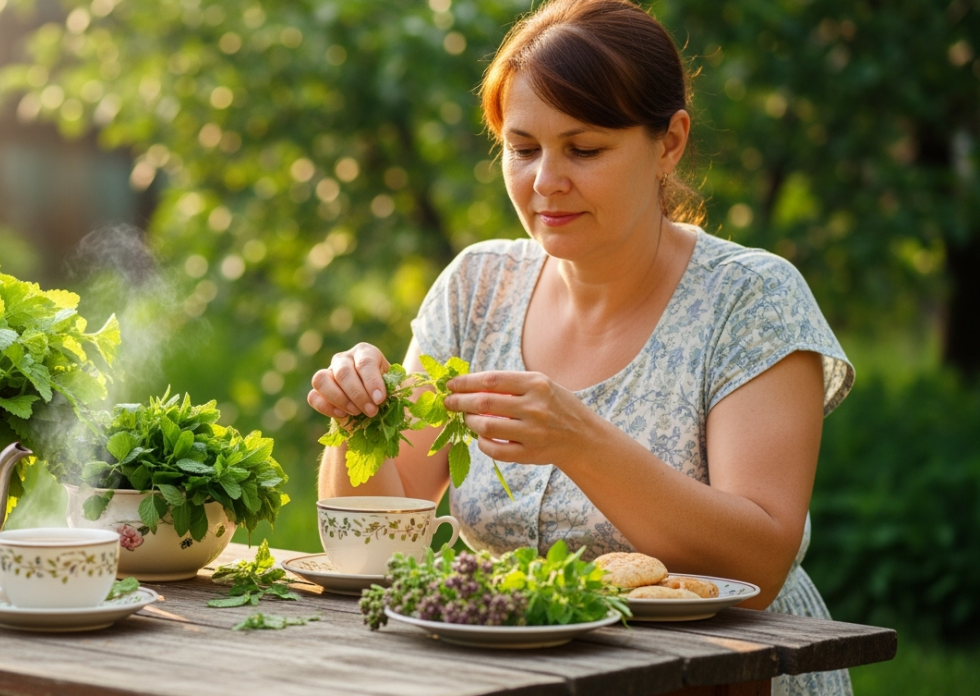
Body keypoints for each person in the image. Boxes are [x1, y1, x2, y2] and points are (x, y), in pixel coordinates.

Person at [307, 1, 854, 694]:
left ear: (671, 141)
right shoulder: (477, 288)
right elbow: (378, 550)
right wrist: (359, 418)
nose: (545, 182)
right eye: (523, 147)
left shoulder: (750, 301)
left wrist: (581, 442)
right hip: (518, 675)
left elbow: (758, 568)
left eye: (585, 149)